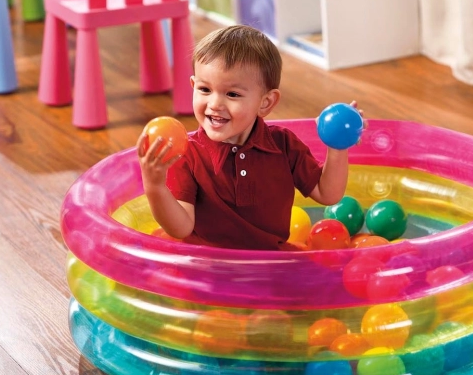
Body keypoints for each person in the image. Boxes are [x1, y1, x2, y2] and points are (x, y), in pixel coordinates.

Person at [136, 25, 364, 250]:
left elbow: (327, 194)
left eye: (232, 94)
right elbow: (181, 228)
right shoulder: (187, 153)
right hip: (209, 266)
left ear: (265, 103)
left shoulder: (283, 145)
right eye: (205, 89)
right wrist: (155, 186)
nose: (214, 104)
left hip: (269, 262)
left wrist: (338, 146)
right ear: (193, 86)